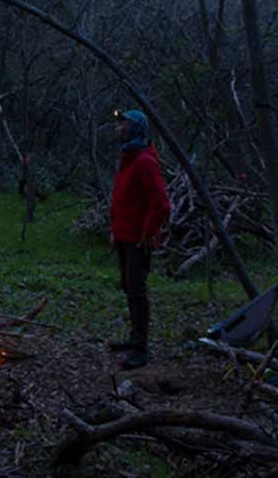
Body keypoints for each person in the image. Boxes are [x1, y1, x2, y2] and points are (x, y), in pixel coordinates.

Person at [108, 109, 170, 370]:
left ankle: (140, 349)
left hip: (138, 239)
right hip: (124, 235)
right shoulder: (128, 157)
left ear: (134, 128)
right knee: (128, 287)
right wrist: (115, 230)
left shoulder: (144, 161)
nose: (117, 127)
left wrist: (147, 232)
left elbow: (161, 203)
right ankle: (134, 339)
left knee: (136, 290)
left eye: (122, 123)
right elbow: (124, 198)